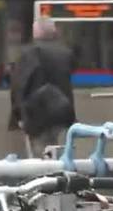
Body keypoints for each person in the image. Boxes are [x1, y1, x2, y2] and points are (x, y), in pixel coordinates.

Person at [9, 16, 77, 158]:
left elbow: (20, 85)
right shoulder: (65, 53)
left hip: (37, 115)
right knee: (61, 153)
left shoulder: (28, 53)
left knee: (40, 156)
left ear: (36, 32)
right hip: (62, 113)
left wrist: (18, 114)